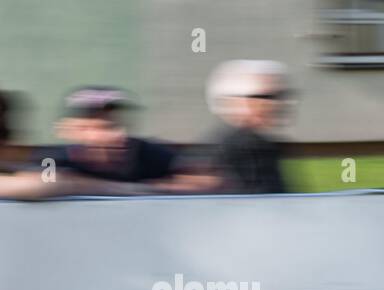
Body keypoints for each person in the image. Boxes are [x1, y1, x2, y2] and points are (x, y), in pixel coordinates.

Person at [0, 86, 207, 199]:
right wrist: (120, 190)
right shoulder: (54, 160)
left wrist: (159, 190)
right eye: (99, 127)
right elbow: (33, 184)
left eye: (116, 124)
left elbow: (205, 180)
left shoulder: (147, 153)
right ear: (70, 130)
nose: (116, 135)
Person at [204, 60, 294, 194]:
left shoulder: (256, 144)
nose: (276, 105)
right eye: (267, 97)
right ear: (237, 101)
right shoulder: (246, 147)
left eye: (280, 96)